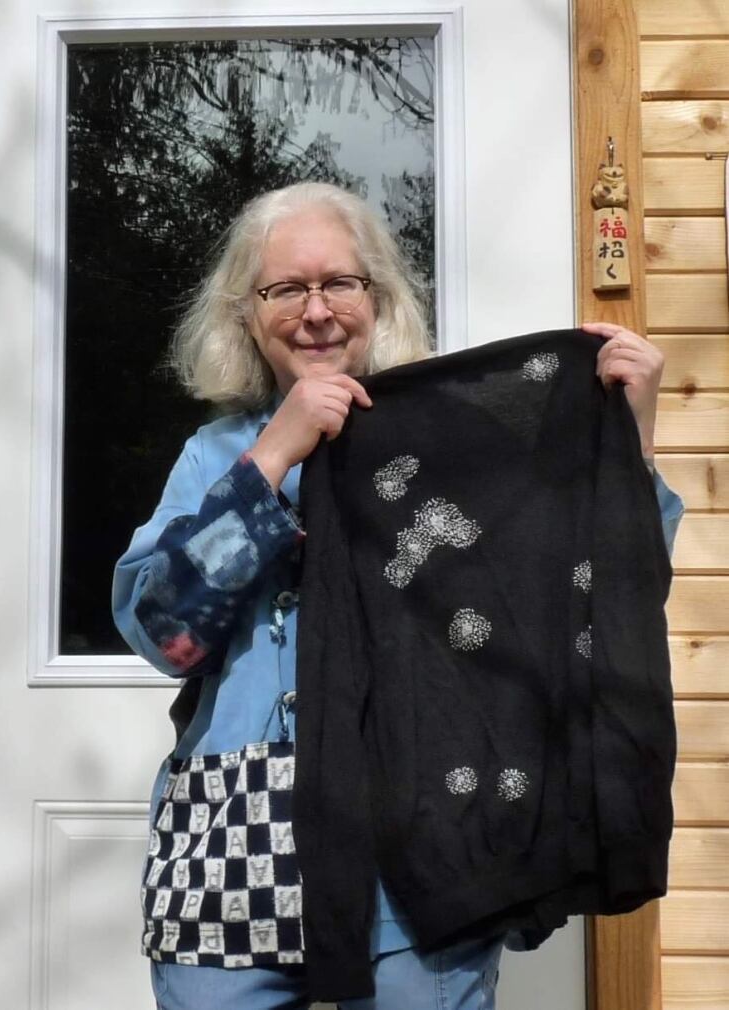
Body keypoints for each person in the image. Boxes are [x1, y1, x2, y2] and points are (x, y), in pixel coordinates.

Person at [112, 181, 685, 1010]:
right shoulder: (218, 455)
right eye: (285, 289)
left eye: (339, 283)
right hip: (233, 839)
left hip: (419, 832)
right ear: (247, 313)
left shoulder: (461, 447)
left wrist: (628, 435)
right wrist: (273, 457)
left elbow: (597, 602)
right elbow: (162, 633)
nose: (316, 311)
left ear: (378, 299)